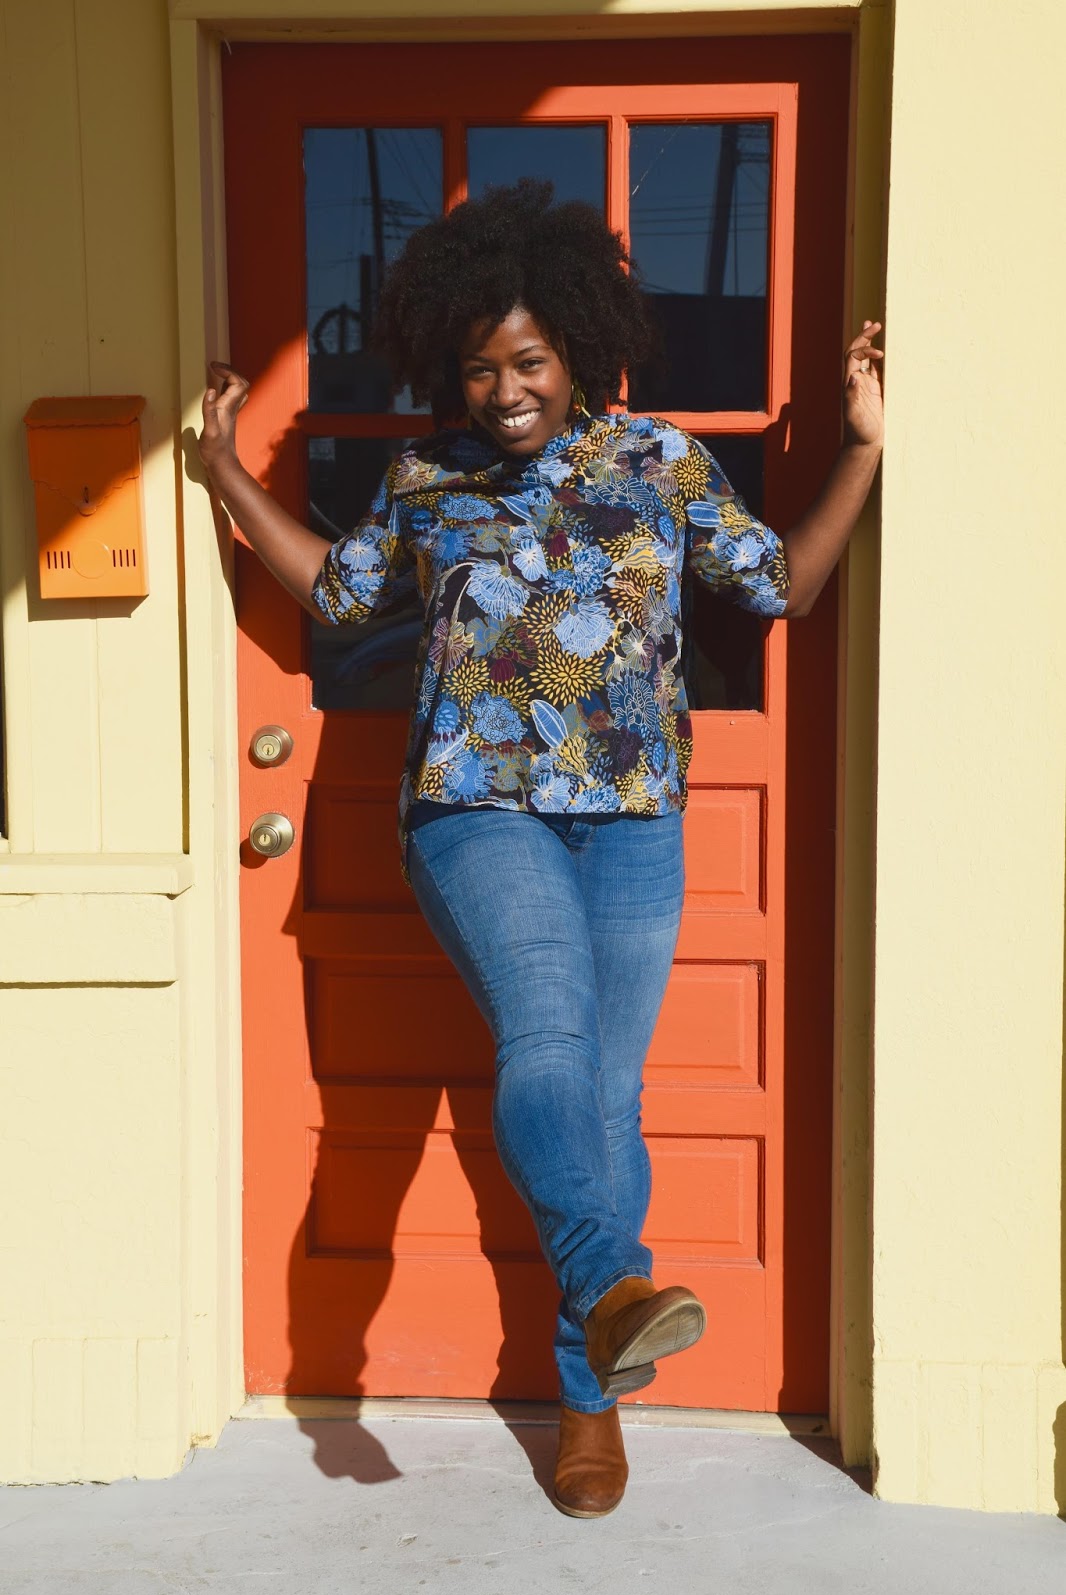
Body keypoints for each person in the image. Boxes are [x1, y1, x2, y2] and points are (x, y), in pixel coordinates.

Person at [198, 180, 884, 1520]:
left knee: (606, 1102)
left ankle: (589, 1399)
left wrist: (863, 449)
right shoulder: (427, 479)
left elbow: (782, 585)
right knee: (550, 1042)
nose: (504, 391)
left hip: (631, 815)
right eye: (478, 368)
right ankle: (613, 1285)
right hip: (473, 806)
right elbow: (336, 590)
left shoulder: (662, 465)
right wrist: (223, 465)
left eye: (526, 362)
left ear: (576, 348)